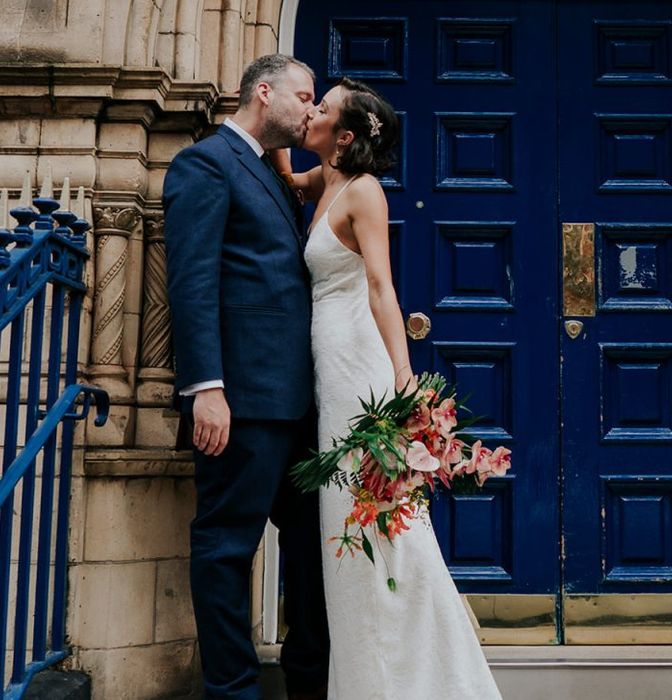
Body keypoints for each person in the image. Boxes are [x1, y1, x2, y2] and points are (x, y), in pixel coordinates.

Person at [272, 77, 502, 700]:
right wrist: (266, 107)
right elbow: (282, 171)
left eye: (320, 110)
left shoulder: (365, 192)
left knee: (374, 517)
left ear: (344, 136)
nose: (310, 114)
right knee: (345, 519)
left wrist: (404, 382)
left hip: (358, 370)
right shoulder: (325, 181)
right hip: (326, 363)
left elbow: (380, 286)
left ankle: (414, 675)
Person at [162, 54, 330, 700]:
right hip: (243, 406)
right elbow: (192, 281)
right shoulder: (204, 164)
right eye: (304, 95)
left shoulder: (269, 172)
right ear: (264, 92)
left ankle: (308, 683)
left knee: (315, 558)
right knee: (227, 553)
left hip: (301, 411)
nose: (312, 110)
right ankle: (233, 690)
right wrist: (206, 387)